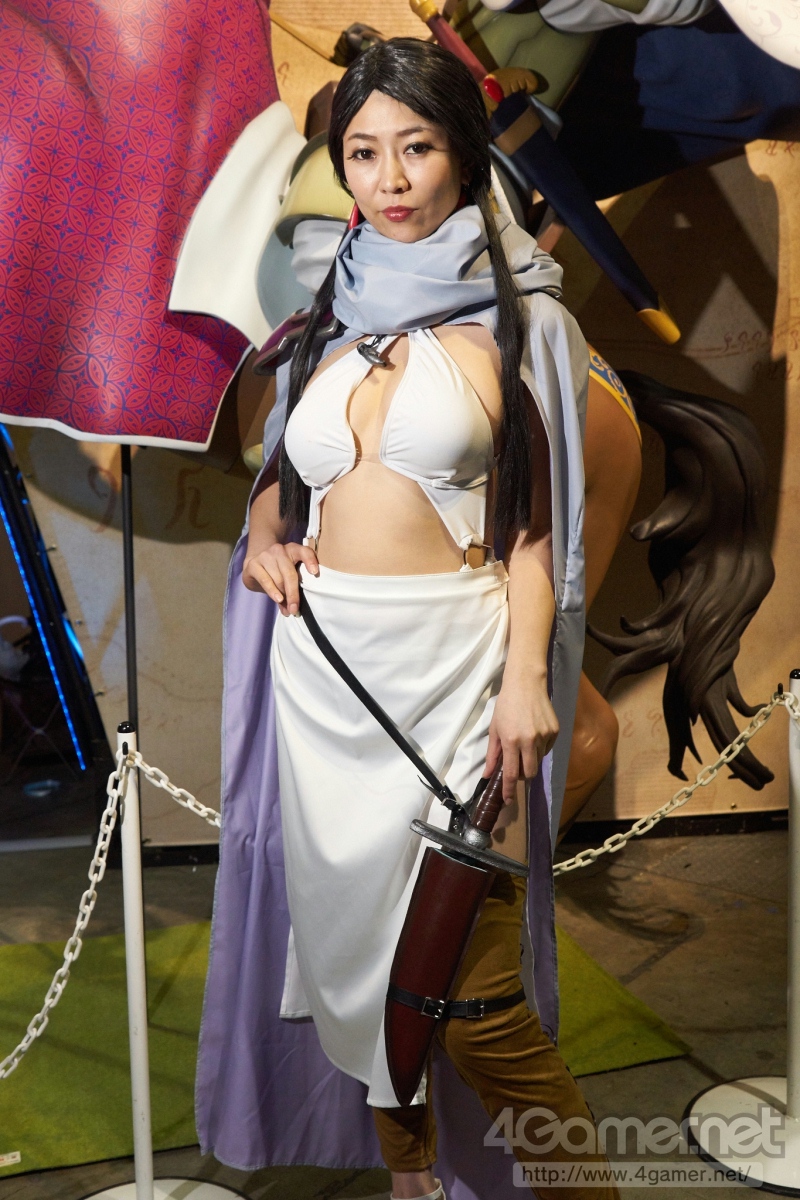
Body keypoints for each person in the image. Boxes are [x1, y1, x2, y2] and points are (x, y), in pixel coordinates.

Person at [196, 37, 618, 1200]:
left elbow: (533, 533)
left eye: (415, 149)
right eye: (363, 153)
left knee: (474, 1002)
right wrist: (268, 538)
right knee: (354, 965)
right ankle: (409, 1177)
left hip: (454, 674)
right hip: (325, 679)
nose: (387, 179)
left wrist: (525, 681)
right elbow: (284, 474)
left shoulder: (525, 318)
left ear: (461, 154)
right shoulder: (329, 304)